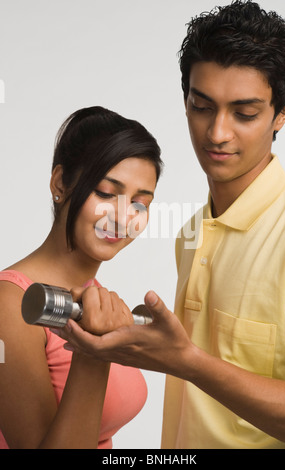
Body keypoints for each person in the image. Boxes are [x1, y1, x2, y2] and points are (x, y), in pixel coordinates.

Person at [50, 1, 285, 449]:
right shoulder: (191, 232)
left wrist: (186, 360)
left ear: (282, 114)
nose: (217, 132)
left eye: (244, 113)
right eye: (202, 106)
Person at [0, 105, 163, 449]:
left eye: (140, 203)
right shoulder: (10, 305)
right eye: (105, 193)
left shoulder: (95, 298)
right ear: (60, 182)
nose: (123, 216)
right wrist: (94, 351)